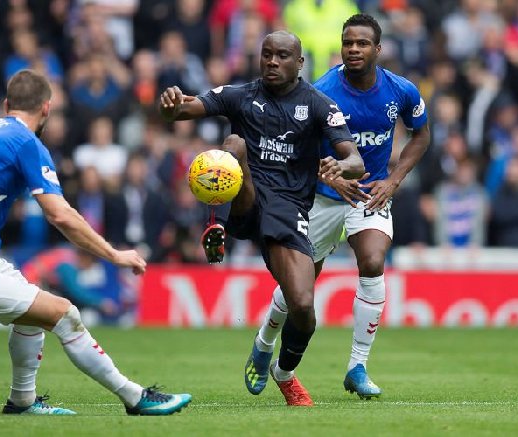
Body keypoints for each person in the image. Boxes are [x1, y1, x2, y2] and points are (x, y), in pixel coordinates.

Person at [0, 70, 191, 416]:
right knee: (66, 314)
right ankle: (135, 397)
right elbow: (60, 215)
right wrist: (113, 254)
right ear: (46, 109)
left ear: (6, 105)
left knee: (31, 315)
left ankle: (22, 402)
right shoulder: (27, 144)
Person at [159, 31, 365, 406]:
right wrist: (171, 102)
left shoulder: (319, 105)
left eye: (282, 56)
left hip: (288, 210)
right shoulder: (241, 95)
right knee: (234, 145)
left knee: (302, 307)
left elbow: (355, 159)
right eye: (266, 54)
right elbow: (182, 110)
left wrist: (343, 164)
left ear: (299, 63)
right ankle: (215, 224)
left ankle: (283, 372)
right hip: (246, 197)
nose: (272, 61)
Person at [245, 14, 430, 400]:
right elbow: (293, 148)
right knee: (298, 289)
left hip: (369, 195)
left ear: (377, 50)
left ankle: (357, 367)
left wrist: (393, 180)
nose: (353, 49)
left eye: (362, 44)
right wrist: (328, 176)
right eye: (348, 43)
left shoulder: (402, 91)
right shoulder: (322, 91)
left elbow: (421, 134)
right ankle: (264, 343)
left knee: (373, 262)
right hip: (320, 199)